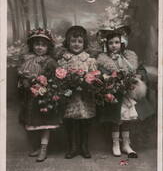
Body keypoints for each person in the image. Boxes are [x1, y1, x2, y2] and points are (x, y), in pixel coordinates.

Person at [96, 26, 152, 158]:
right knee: (116, 119)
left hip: (127, 93)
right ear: (106, 44)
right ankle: (115, 144)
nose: (114, 46)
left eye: (116, 42)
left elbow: (138, 70)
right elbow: (102, 74)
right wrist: (110, 78)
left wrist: (136, 77)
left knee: (126, 119)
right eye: (110, 43)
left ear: (121, 43)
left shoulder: (129, 57)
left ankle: (126, 144)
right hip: (114, 93)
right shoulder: (103, 60)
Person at [18, 28, 61, 162]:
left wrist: (46, 86)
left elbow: (56, 79)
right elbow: (22, 76)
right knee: (35, 123)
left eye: (43, 45)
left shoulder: (50, 61)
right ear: (32, 46)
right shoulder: (28, 60)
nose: (40, 47)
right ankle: (38, 146)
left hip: (45, 97)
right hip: (31, 97)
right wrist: (24, 82)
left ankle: (44, 148)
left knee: (45, 123)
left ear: (48, 47)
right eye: (37, 44)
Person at [57, 25, 97, 159]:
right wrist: (67, 82)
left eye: (80, 41)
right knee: (71, 121)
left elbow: (94, 76)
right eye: (73, 41)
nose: (76, 44)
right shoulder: (63, 60)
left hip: (85, 96)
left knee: (85, 121)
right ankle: (73, 147)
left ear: (84, 43)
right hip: (70, 96)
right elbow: (59, 76)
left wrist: (88, 81)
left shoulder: (89, 60)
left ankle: (84, 146)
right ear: (67, 42)